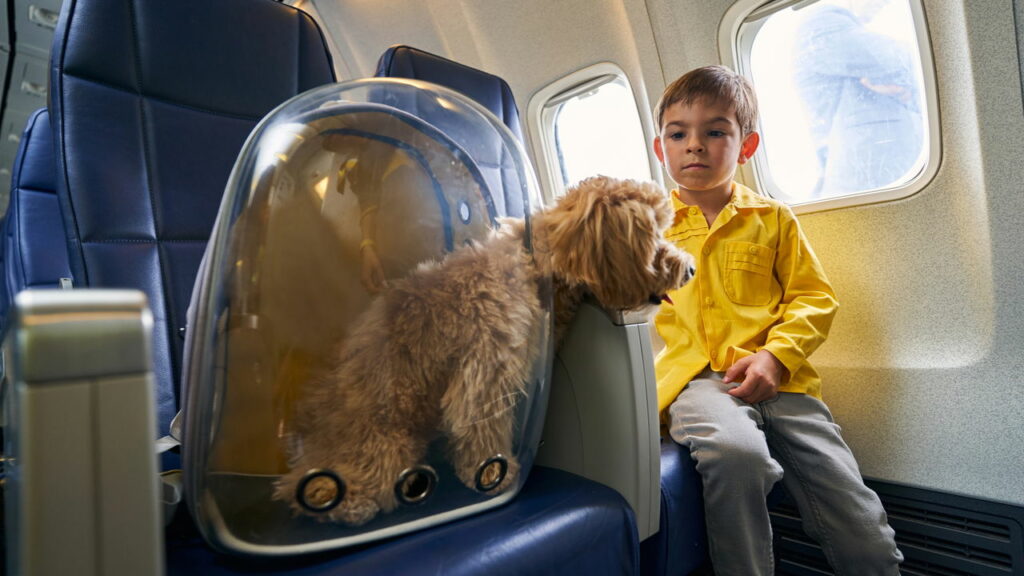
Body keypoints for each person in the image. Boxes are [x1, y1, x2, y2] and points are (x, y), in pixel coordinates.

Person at [652, 65, 903, 575]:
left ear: (746, 146)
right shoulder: (651, 230)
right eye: (678, 134)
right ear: (661, 149)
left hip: (781, 381)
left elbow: (814, 298)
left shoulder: (774, 220)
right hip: (698, 384)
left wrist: (776, 356)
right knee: (738, 455)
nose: (694, 145)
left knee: (848, 499)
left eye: (715, 131)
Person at [793, 0, 924, 197]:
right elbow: (904, 59)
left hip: (884, 178)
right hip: (862, 182)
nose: (884, 4)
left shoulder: (852, 34)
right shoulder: (822, 22)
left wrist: (905, 93)